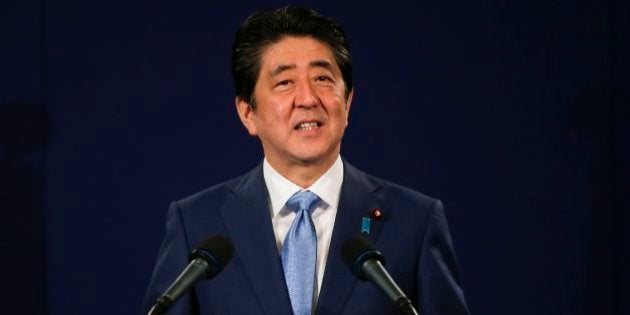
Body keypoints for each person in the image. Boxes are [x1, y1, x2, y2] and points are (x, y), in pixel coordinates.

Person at [144, 7, 470, 315]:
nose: (308, 98)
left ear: (348, 101)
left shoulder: (415, 221)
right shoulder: (197, 224)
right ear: (248, 113)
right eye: (285, 82)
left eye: (323, 79)